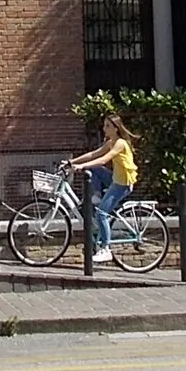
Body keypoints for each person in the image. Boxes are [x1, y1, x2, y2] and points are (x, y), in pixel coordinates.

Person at [71, 113, 139, 264]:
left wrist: (81, 166)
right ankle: (96, 195)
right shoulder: (110, 141)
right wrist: (71, 162)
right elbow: (93, 154)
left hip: (123, 184)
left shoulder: (120, 143)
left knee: (101, 214)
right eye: (104, 125)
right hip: (115, 179)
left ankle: (106, 249)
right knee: (95, 170)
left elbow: (104, 159)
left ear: (116, 128)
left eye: (108, 126)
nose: (104, 128)